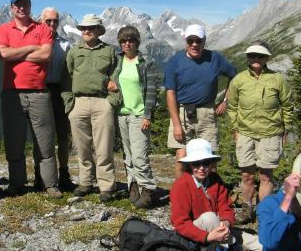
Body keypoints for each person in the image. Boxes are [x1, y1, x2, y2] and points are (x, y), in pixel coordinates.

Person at [0, 0, 62, 199]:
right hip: (11, 93)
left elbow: (46, 55)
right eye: (17, 5)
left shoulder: (42, 28)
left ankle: (50, 184)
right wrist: (32, 47)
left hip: (39, 93)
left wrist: (17, 52)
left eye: (25, 3)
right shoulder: (4, 29)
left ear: (30, 5)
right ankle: (17, 184)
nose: (21, 7)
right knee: (14, 141)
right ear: (12, 8)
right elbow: (3, 55)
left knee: (45, 142)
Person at [227, 40, 294, 224]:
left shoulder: (277, 79)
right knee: (246, 175)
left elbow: (288, 105)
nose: (256, 59)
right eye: (252, 55)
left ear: (267, 58)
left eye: (260, 56)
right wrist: (235, 128)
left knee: (266, 176)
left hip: (270, 133)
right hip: (245, 133)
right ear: (248, 57)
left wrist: (285, 128)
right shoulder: (239, 79)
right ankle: (247, 210)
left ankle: (264, 213)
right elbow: (231, 106)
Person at [164, 24, 236, 179]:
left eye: (198, 40)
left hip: (207, 113)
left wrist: (225, 101)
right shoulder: (174, 61)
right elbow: (170, 93)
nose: (194, 44)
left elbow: (233, 75)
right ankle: (182, 194)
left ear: (204, 41)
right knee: (181, 159)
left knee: (209, 160)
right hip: (182, 113)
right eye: (191, 40)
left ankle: (210, 196)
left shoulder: (215, 58)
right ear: (186, 41)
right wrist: (176, 124)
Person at [61, 14, 121, 202]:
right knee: (82, 147)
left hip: (102, 102)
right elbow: (66, 77)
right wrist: (69, 103)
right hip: (78, 103)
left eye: (91, 27)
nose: (86, 30)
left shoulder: (110, 51)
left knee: (104, 147)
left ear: (98, 30)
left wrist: (111, 101)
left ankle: (106, 186)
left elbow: (117, 75)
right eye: (84, 28)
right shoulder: (73, 51)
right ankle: (85, 182)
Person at [111, 25, 157, 208]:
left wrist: (148, 115)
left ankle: (147, 189)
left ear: (137, 42)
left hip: (139, 115)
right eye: (123, 41)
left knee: (139, 155)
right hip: (122, 114)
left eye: (130, 40)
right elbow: (113, 80)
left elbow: (152, 91)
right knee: (128, 154)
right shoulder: (118, 61)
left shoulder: (146, 61)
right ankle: (133, 185)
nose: (127, 44)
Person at [170, 138, 235, 250]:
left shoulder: (215, 179)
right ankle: (227, 246)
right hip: (191, 234)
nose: (201, 168)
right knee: (209, 217)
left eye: (206, 163)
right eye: (196, 163)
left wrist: (226, 223)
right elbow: (180, 223)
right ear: (189, 165)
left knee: (257, 242)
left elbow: (226, 207)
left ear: (211, 164)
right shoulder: (181, 185)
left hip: (215, 227)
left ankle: (227, 243)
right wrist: (207, 237)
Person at [40, 7, 75, 191]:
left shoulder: (65, 45)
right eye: (48, 21)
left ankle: (63, 173)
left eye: (55, 21)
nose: (52, 24)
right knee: (42, 137)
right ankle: (41, 176)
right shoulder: (36, 41)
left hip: (60, 92)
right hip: (40, 91)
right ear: (41, 21)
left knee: (62, 135)